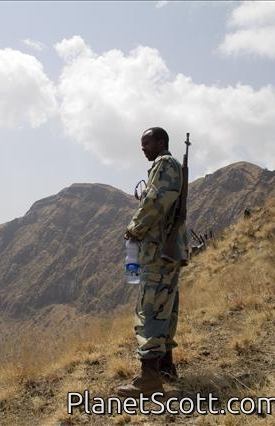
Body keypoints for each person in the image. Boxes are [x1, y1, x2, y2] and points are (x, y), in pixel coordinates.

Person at [116, 127, 188, 398]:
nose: (143, 148)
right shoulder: (168, 166)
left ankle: (149, 379)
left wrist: (134, 228)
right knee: (165, 309)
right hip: (166, 252)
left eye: (146, 143)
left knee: (149, 310)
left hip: (158, 253)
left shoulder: (164, 163)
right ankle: (166, 367)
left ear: (161, 142)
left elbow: (157, 201)